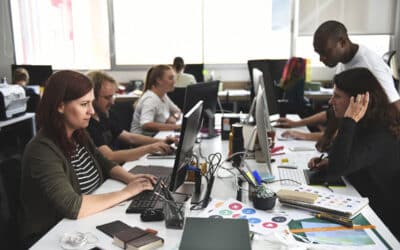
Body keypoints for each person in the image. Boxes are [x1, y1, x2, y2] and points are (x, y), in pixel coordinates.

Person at [20, 70, 156, 247]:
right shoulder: (42, 150)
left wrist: (132, 179)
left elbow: (105, 163)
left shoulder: (78, 134)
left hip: (88, 220)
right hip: (56, 235)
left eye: (91, 103)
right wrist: (127, 192)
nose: (91, 111)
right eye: (84, 104)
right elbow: (73, 206)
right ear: (60, 106)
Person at [308, 68, 400, 239]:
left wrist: (349, 120)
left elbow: (337, 170)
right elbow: (343, 159)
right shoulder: (365, 122)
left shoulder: (380, 132)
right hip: (360, 204)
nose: (330, 101)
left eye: (337, 96)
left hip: (382, 224)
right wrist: (328, 160)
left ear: (358, 101)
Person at [278, 20, 400, 141]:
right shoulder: (343, 63)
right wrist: (297, 124)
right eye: (318, 53)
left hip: (371, 141)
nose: (321, 59)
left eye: (325, 52)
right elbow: (334, 112)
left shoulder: (371, 66)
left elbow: (396, 108)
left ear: (342, 42)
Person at [86, 71, 174, 164]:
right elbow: (110, 156)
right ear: (92, 97)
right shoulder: (88, 123)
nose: (112, 102)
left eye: (113, 96)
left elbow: (129, 137)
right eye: (107, 97)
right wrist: (150, 148)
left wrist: (161, 141)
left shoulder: (106, 114)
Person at [130, 65, 181, 135]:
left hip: (157, 136)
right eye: (170, 78)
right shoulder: (150, 99)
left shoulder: (163, 95)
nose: (174, 81)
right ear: (159, 80)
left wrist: (174, 117)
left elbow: (177, 111)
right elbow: (146, 124)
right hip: (144, 141)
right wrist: (175, 127)